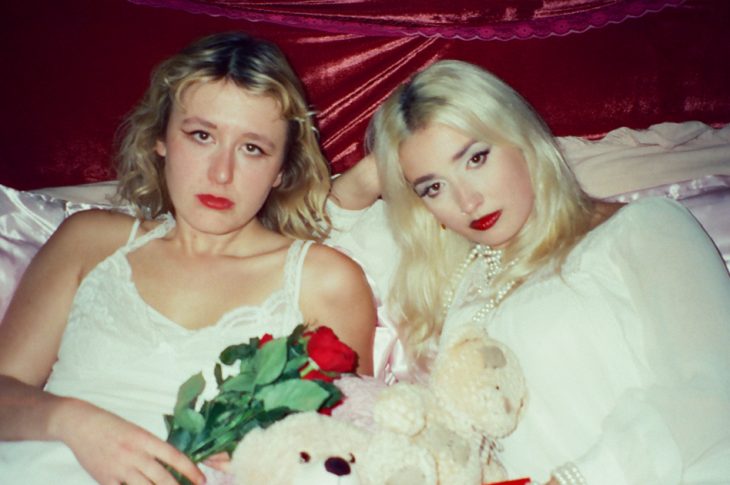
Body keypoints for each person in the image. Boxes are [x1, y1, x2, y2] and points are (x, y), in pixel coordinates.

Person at [0, 32, 376, 485]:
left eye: (252, 148)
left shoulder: (324, 280)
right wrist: (74, 422)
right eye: (202, 135)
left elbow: (345, 455)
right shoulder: (89, 240)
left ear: (281, 169)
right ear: (161, 138)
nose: (222, 173)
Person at [338, 60, 730, 484]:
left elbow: (715, 386)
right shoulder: (461, 279)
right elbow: (322, 230)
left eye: (476, 158)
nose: (467, 201)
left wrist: (573, 479)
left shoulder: (644, 227)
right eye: (434, 186)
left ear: (521, 139)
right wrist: (381, 167)